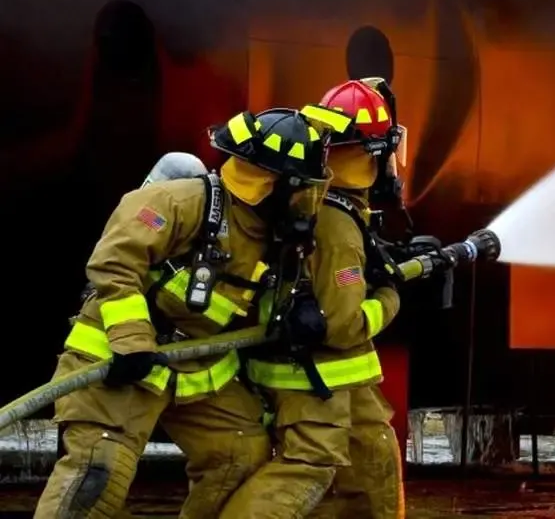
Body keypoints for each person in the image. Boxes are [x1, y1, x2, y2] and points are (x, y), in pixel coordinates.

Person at [34, 107, 335, 519]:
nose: (308, 203)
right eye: (304, 190)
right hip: (121, 361)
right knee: (97, 476)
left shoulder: (275, 236)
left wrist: (296, 310)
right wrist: (133, 342)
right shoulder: (178, 202)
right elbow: (115, 265)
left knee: (241, 459)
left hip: (197, 369)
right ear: (274, 184)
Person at [222, 79, 411, 518]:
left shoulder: (323, 204)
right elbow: (343, 324)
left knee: (371, 465)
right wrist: (389, 296)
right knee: (307, 471)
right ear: (374, 153)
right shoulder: (336, 224)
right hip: (314, 376)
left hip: (338, 381)